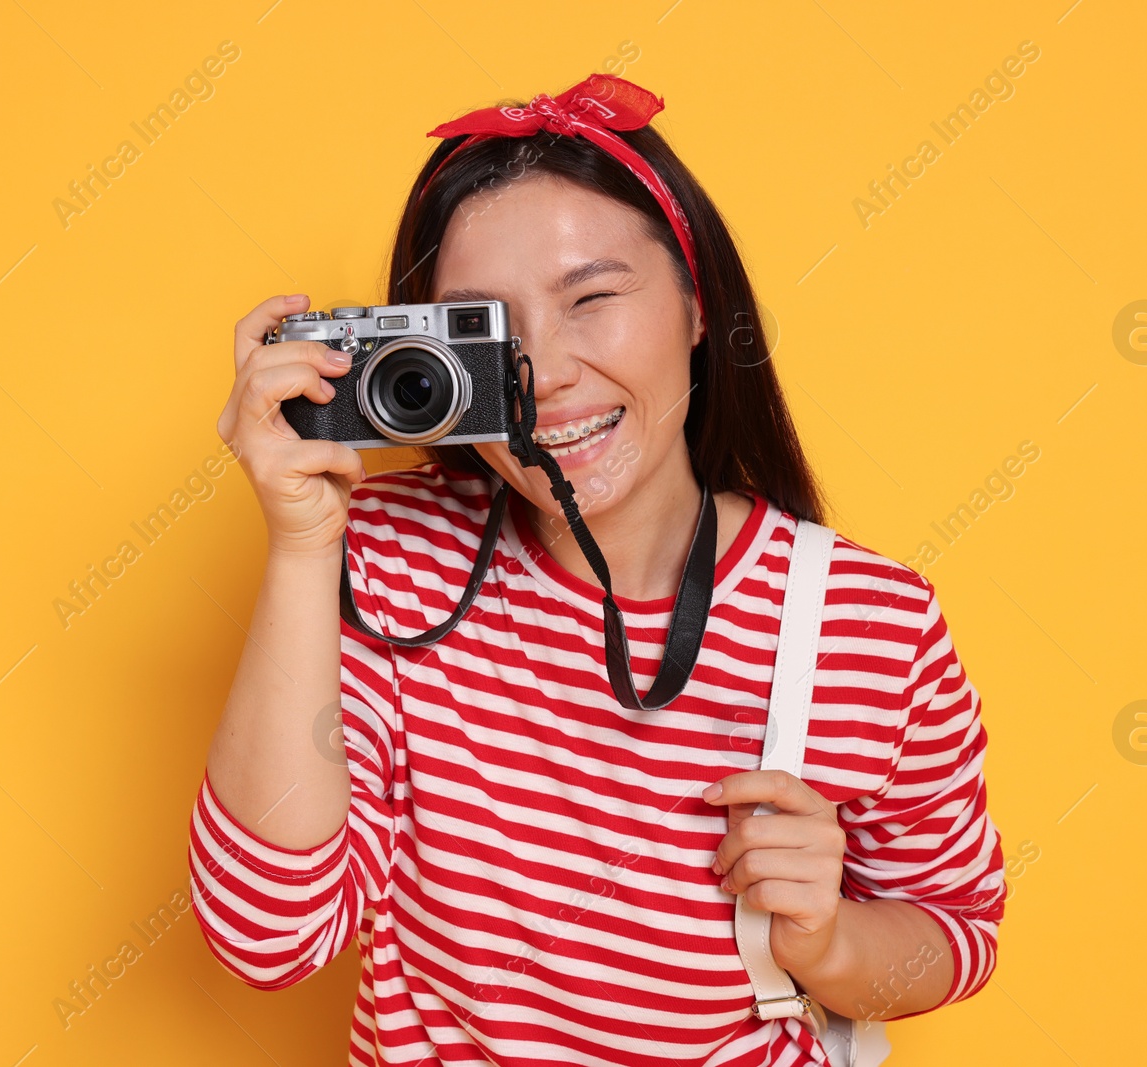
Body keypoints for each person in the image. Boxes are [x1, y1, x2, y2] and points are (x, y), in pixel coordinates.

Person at [188, 74, 1006, 1065]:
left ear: (699, 306)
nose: (548, 371)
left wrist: (829, 940)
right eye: (487, 330)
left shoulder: (869, 620)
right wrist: (300, 544)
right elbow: (265, 936)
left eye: (593, 299)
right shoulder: (389, 555)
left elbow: (956, 938)